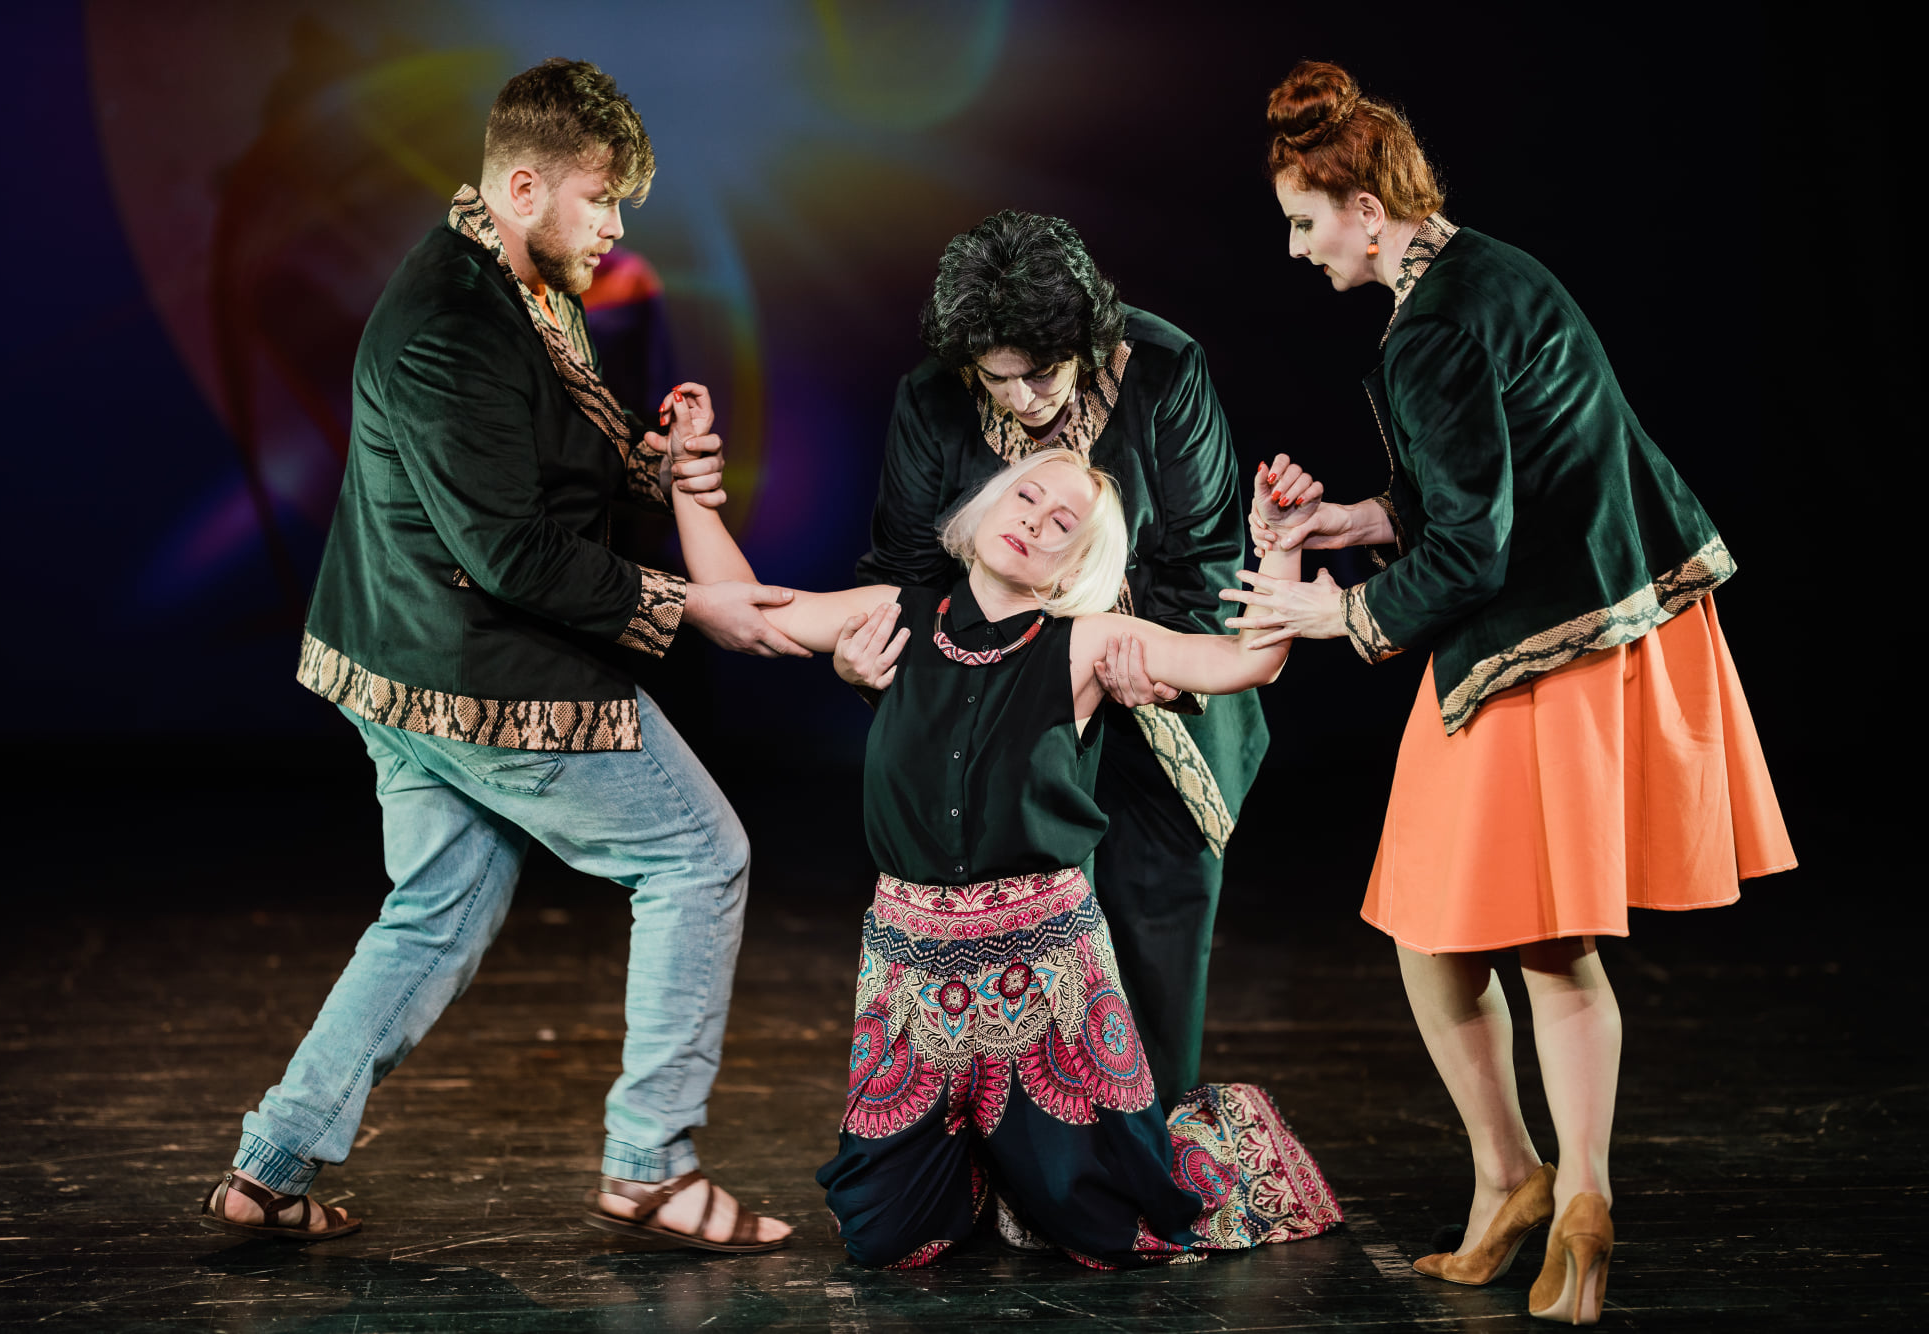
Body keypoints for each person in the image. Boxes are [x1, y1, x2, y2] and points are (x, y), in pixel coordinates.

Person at [1224, 60, 1796, 1325]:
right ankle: (1568, 1195)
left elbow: (1471, 554)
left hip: (1533, 645)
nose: (1296, 250)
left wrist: (1334, 612)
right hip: (1606, 615)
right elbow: (1493, 476)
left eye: (1304, 223)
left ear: (1363, 209)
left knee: (1445, 927)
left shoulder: (1428, 328)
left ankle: (1515, 1178)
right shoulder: (1491, 267)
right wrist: (1349, 518)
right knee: (1540, 937)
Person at [197, 59, 799, 1254]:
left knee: (436, 909)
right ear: (524, 187)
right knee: (697, 855)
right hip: (465, 669)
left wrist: (654, 461)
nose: (615, 227)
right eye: (600, 199)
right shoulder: (448, 323)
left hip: (406, 657)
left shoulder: (508, 276)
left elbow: (537, 446)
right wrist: (692, 607)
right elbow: (510, 550)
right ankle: (650, 1162)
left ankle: (270, 1166)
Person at [666, 430, 1341, 1268]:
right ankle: (987, 1163)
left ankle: (1100, 1159)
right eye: (1026, 497)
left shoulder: (1085, 639)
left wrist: (1279, 543)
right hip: (914, 971)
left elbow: (1248, 662)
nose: (1035, 521)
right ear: (987, 507)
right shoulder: (894, 613)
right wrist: (689, 490)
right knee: (884, 1236)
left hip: (1043, 973)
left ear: (1073, 568)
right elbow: (747, 609)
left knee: (1106, 1225)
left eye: (1064, 524)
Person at [838, 211, 1266, 1115]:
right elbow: (905, 572)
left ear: (1086, 342)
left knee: (1150, 928)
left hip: (1153, 699)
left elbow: (1204, 561)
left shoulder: (1163, 368)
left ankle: (1138, 1150)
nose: (1022, 397)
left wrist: (1138, 666)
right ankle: (1011, 1152)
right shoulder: (933, 396)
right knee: (1012, 948)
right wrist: (871, 662)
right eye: (997, 379)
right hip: (998, 709)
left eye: (1041, 373)